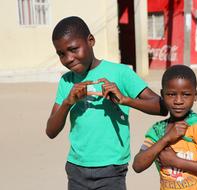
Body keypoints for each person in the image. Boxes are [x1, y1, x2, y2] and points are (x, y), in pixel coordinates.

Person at [46, 16, 167, 190]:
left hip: (111, 169)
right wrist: (67, 103)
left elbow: (161, 107)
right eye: (61, 54)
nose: (69, 58)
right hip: (76, 168)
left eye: (73, 49)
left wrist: (126, 100)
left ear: (91, 41)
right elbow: (51, 131)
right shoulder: (66, 81)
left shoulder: (120, 72)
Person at [133, 65, 197, 190]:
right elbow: (137, 166)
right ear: (162, 94)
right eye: (171, 94)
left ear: (195, 95)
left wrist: (176, 162)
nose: (178, 101)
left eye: (186, 94)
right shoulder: (157, 131)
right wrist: (166, 139)